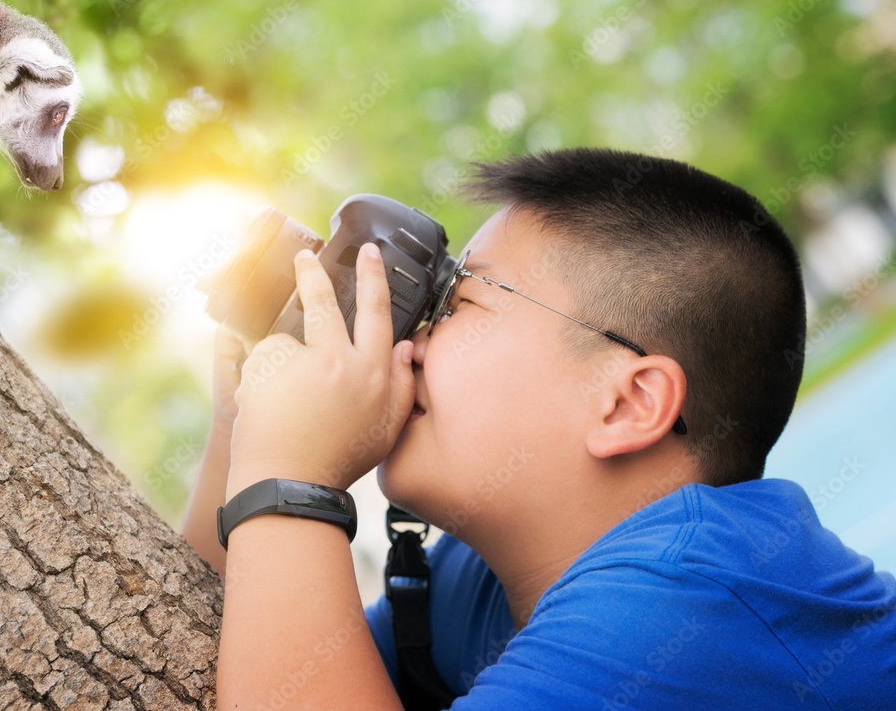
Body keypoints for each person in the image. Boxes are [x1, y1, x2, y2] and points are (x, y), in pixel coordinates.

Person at [181, 148, 896, 710]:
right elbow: (233, 643)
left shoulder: (693, 596)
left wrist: (288, 477)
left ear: (626, 403)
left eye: (458, 301)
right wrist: (248, 424)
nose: (413, 337)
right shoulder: (487, 575)